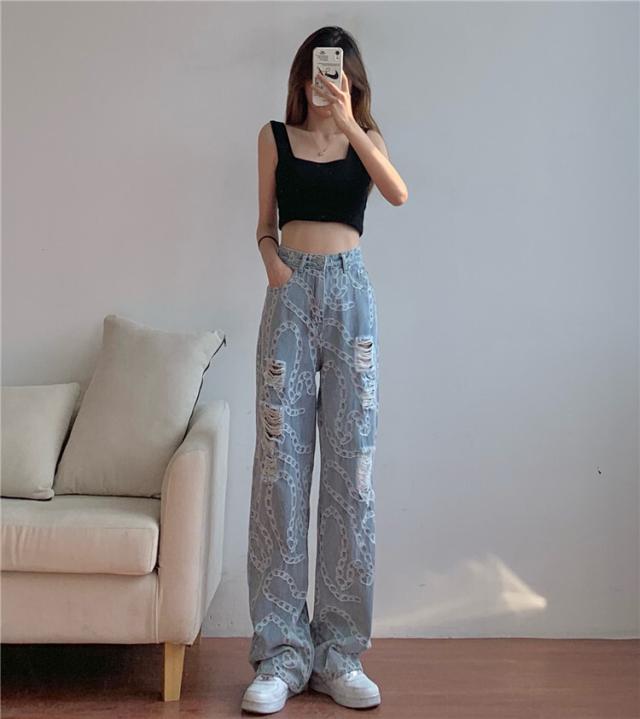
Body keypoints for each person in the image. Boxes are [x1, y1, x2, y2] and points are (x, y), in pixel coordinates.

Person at [242, 26, 408, 714]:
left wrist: (350, 124)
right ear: (301, 76)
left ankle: (340, 653)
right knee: (279, 473)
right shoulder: (273, 138)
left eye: (336, 72)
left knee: (351, 475)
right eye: (316, 70)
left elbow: (397, 192)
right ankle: (281, 654)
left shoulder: (365, 138)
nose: (325, 80)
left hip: (351, 302)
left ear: (351, 79)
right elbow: (264, 224)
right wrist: (274, 266)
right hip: (289, 297)